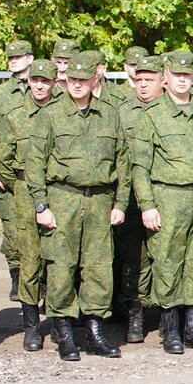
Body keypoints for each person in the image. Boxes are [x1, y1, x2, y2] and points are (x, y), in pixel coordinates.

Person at [27, 54, 131, 361]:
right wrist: (41, 204)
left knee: (98, 268)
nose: (77, 85)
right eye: (72, 80)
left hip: (100, 200)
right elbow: (35, 162)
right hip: (63, 198)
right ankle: (65, 334)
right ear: (63, 81)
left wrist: (121, 202)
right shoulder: (51, 115)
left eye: (83, 80)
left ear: (93, 81)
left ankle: (95, 333)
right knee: (61, 267)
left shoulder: (110, 115)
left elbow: (123, 162)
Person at [131, 51, 193, 354]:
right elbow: (140, 167)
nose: (182, 81)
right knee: (168, 264)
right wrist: (147, 205)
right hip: (168, 198)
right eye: (177, 76)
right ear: (166, 78)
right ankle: (171, 331)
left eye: (187, 76)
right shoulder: (151, 116)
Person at [0, 58, 58, 350]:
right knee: (30, 258)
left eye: (45, 81)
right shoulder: (14, 117)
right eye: (35, 81)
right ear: (28, 82)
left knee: (59, 259)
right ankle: (31, 325)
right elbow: (0, 159)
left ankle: (59, 321)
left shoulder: (63, 114)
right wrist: (21, 182)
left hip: (58, 191)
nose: (39, 86)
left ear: (55, 83)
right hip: (23, 192)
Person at [113, 54, 164, 343]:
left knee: (165, 256)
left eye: (150, 80)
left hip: (166, 196)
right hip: (132, 198)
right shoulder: (123, 112)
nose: (143, 85)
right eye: (140, 80)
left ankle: (168, 314)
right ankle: (136, 312)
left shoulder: (173, 110)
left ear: (163, 81)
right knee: (135, 258)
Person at [0, 39, 35, 301]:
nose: (13, 60)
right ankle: (16, 278)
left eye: (19, 56)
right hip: (10, 170)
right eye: (10, 58)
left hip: (36, 170)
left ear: (30, 57)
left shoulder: (44, 87)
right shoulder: (2, 94)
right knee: (13, 229)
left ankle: (44, 283)